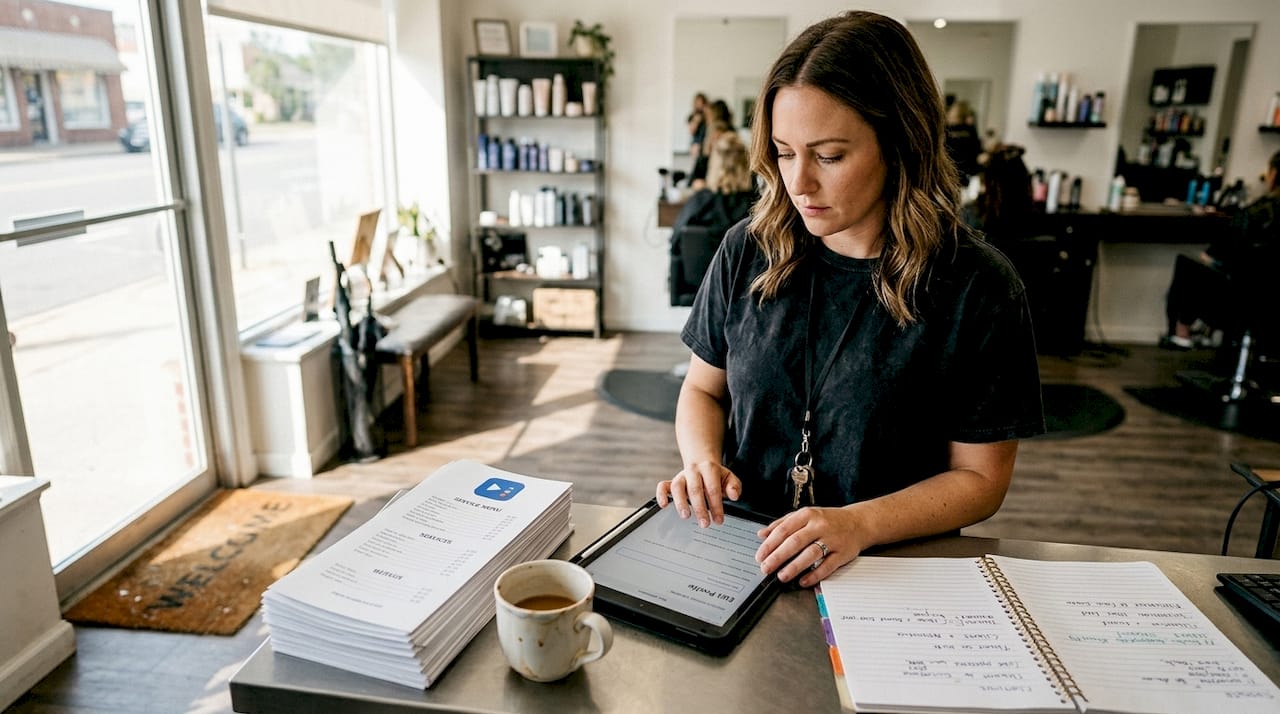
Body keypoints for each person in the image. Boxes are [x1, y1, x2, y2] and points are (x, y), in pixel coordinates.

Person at [655, 11, 1044, 588]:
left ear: (900, 144)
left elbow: (980, 480)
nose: (799, 183)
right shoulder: (748, 250)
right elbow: (703, 389)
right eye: (785, 153)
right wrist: (702, 461)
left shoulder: (977, 286)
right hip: (744, 558)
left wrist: (858, 524)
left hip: (890, 574)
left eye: (830, 156)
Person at [1163, 149, 1280, 349]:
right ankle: (1207, 335)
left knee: (1189, 265)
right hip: (1272, 310)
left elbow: (1216, 255)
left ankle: (1182, 334)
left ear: (1273, 174)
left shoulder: (1256, 213)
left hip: (1241, 306)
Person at [669, 131, 757, 306]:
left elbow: (675, 242)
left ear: (714, 164)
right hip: (747, 293)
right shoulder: (759, 205)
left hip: (703, 287)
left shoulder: (700, 202)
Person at [945, 100, 983, 180]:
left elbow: (975, 148)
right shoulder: (969, 129)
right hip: (958, 168)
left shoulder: (967, 129)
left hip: (958, 168)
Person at [688, 92, 708, 159]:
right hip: (696, 142)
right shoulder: (692, 116)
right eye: (698, 101)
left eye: (701, 102)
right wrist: (696, 121)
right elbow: (691, 132)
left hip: (705, 140)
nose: (699, 104)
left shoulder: (707, 115)